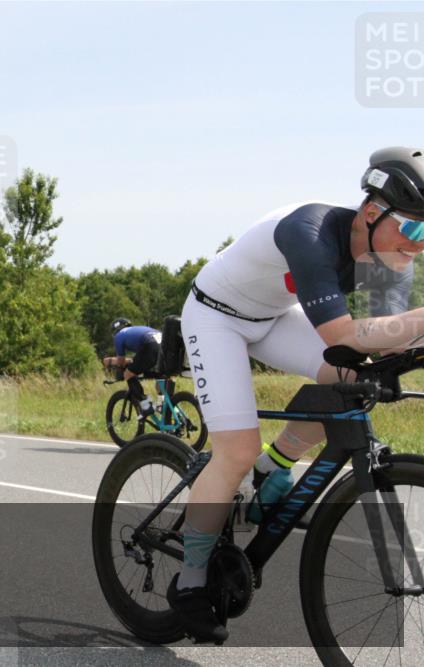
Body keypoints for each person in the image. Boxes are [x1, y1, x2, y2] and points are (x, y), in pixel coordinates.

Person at [168, 146, 424, 642]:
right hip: (216, 314)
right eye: (412, 228)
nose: (417, 245)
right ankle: (191, 579)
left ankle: (274, 467)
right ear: (372, 212)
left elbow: (385, 340)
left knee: (354, 380)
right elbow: (344, 337)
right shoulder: (310, 232)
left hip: (270, 318)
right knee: (235, 450)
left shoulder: (387, 256)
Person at [103, 318, 162, 416]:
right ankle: (165, 406)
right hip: (163, 345)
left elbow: (120, 362)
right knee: (161, 378)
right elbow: (138, 359)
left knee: (128, 374)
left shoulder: (119, 336)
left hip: (149, 345)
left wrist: (111, 362)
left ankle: (146, 404)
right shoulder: (138, 330)